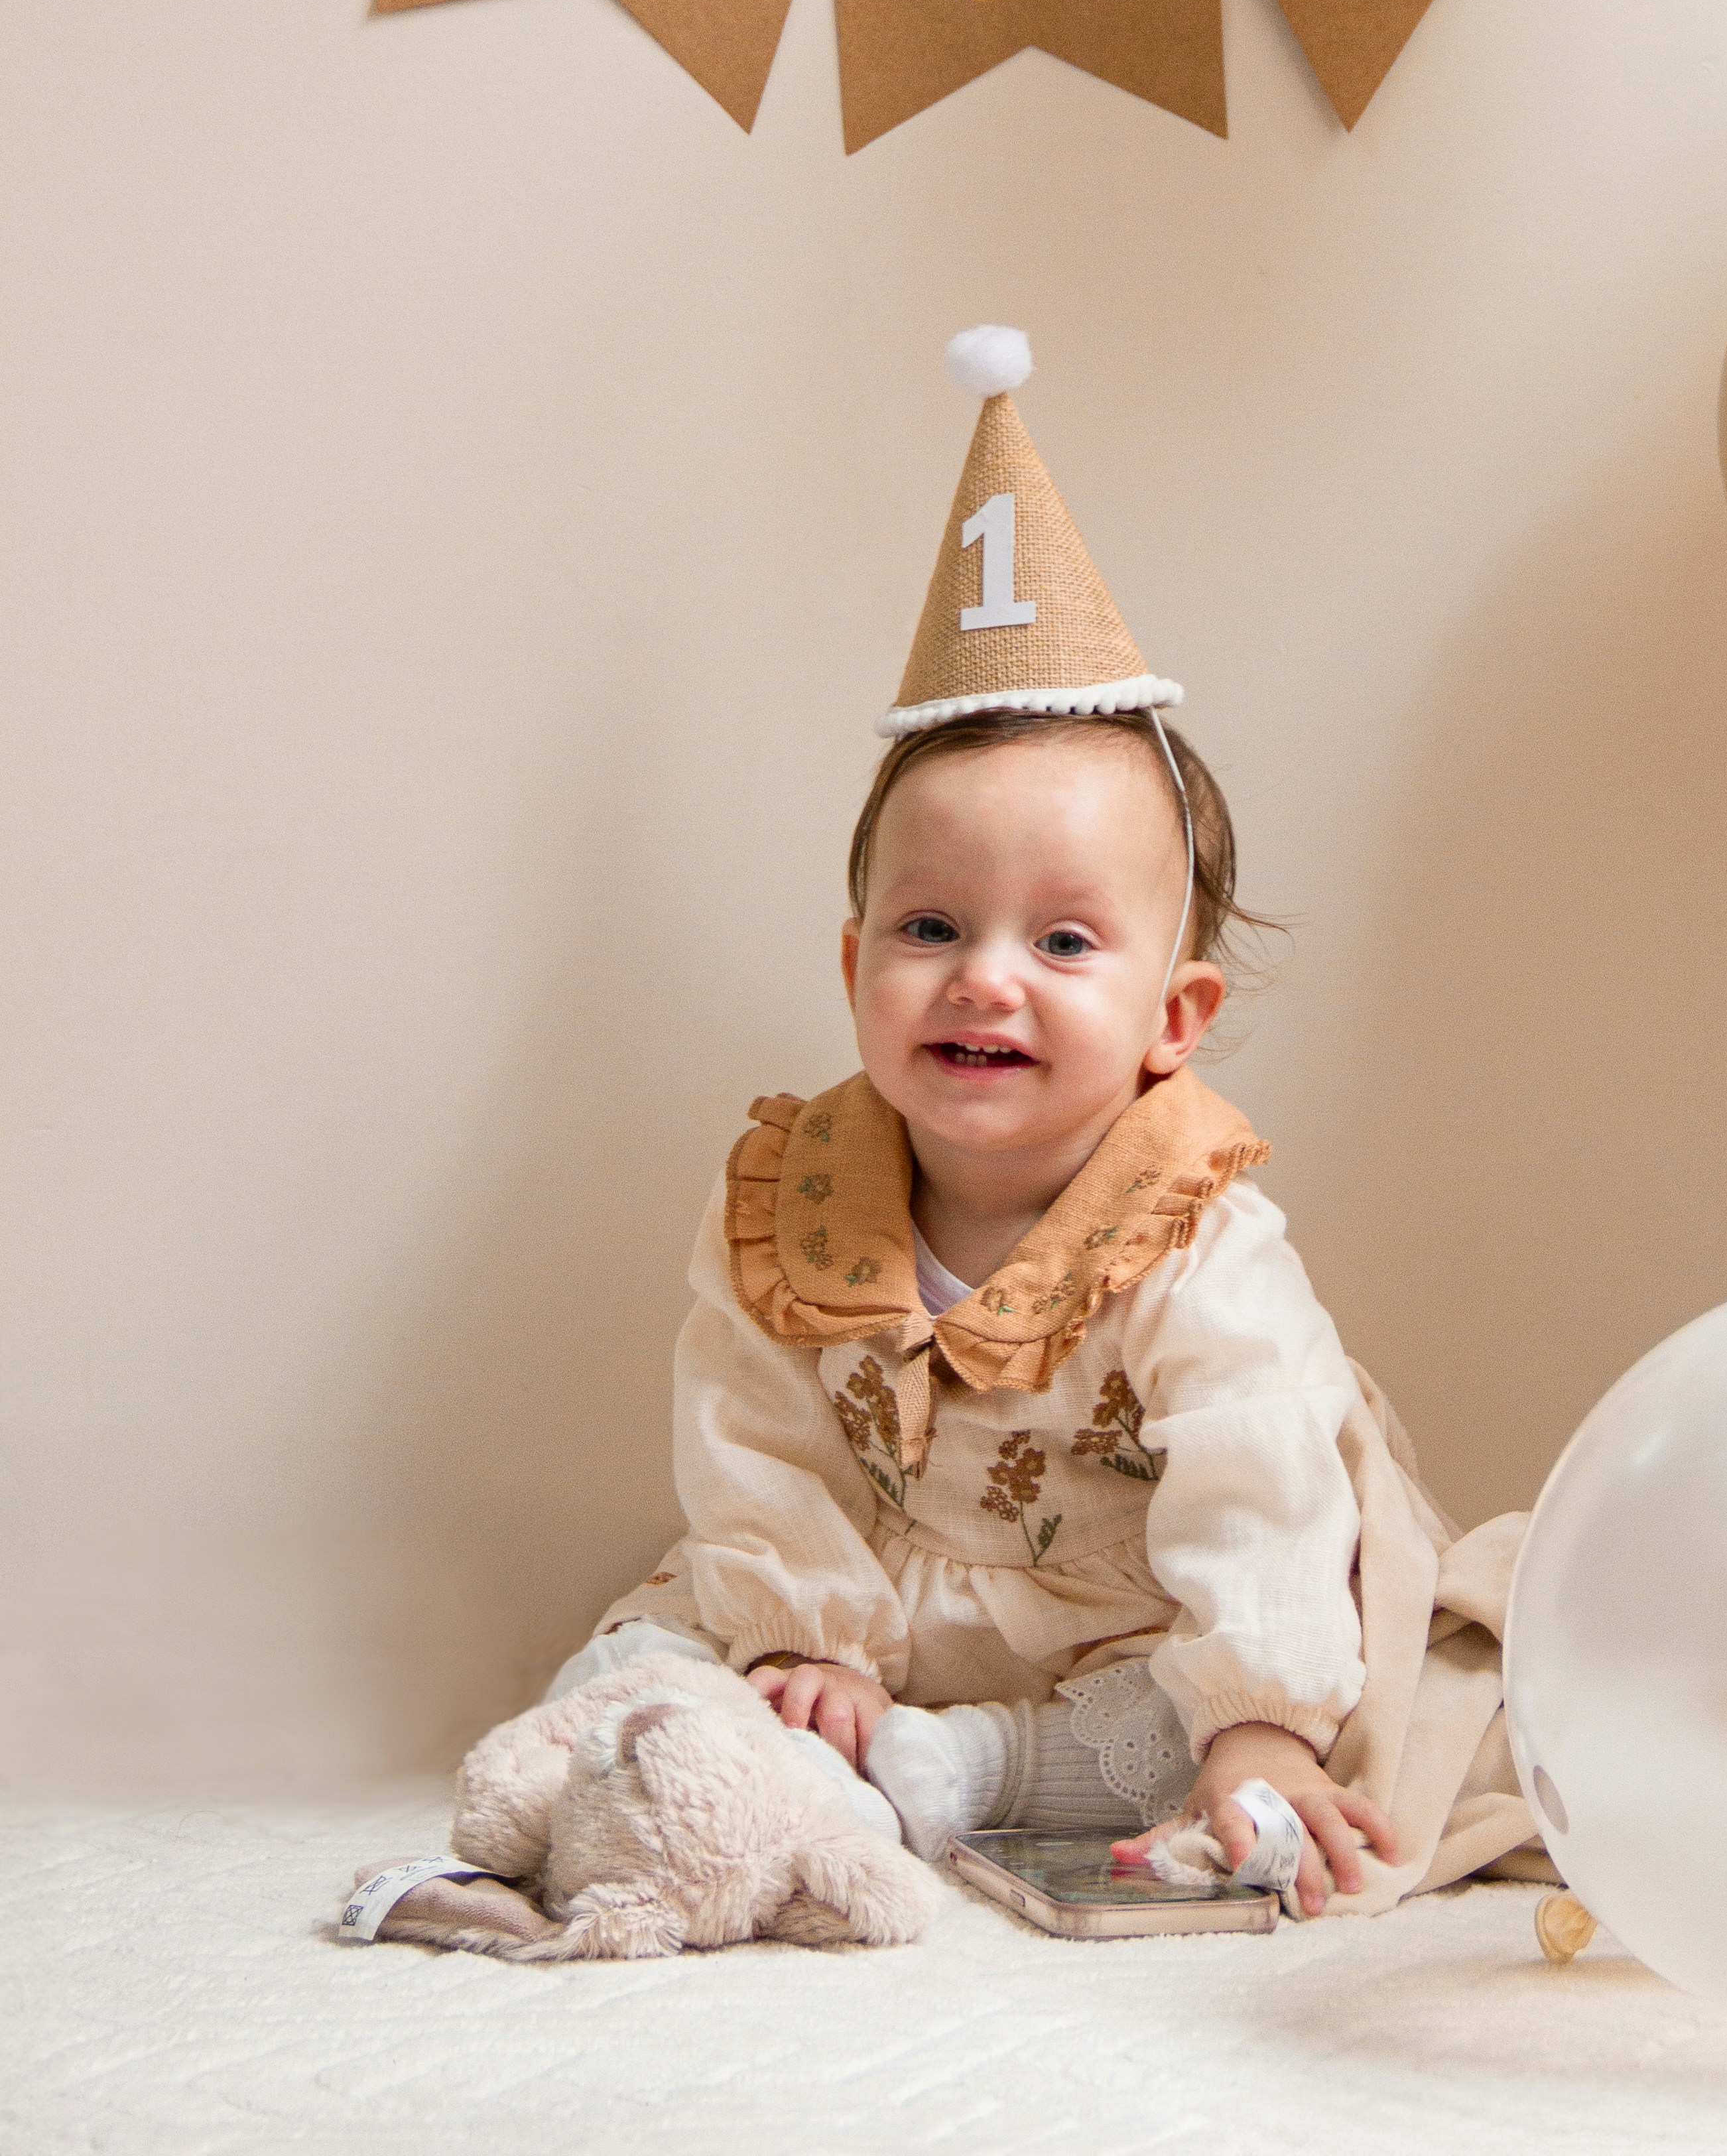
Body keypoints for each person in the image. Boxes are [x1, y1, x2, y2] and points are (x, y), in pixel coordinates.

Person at [365, 330, 1544, 1948]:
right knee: (661, 1646)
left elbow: (1259, 1488)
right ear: (856, 969)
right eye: (931, 924)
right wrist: (806, 1637)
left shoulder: (1191, 1232)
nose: (986, 975)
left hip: (1116, 1618)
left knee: (1181, 1744)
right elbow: (754, 1434)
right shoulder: (799, 1204)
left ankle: (966, 1772)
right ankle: (644, 1759)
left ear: (1170, 1021)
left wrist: (1256, 1719)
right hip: (883, 1597)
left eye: (1065, 944)